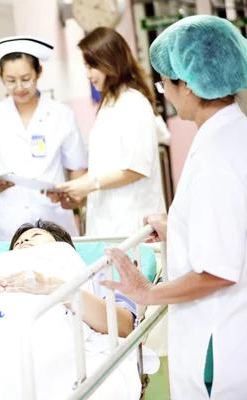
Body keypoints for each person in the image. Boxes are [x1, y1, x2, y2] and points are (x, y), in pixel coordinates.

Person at [101, 15, 247, 399]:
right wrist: (178, 229)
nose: (163, 90)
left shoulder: (216, 158)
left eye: (165, 82)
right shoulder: (236, 135)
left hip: (219, 340)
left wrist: (148, 293)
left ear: (189, 85)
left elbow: (218, 272)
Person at [0, 220, 135, 336]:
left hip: (39, 336)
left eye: (36, 236)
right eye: (19, 241)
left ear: (63, 247)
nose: (24, 242)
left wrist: (53, 287)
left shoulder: (85, 271)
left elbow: (123, 326)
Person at [0, 35, 88, 241]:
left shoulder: (61, 114)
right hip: (6, 221)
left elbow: (78, 171)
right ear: (0, 75)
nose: (19, 88)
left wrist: (74, 198)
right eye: (10, 81)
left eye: (26, 79)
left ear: (39, 72)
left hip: (52, 215)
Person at [49, 28, 166, 237]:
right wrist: (79, 194)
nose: (88, 75)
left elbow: (137, 167)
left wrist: (89, 184)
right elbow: (105, 167)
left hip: (132, 222)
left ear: (110, 62)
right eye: (86, 67)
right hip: (108, 222)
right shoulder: (109, 103)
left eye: (92, 66)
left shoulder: (133, 103)